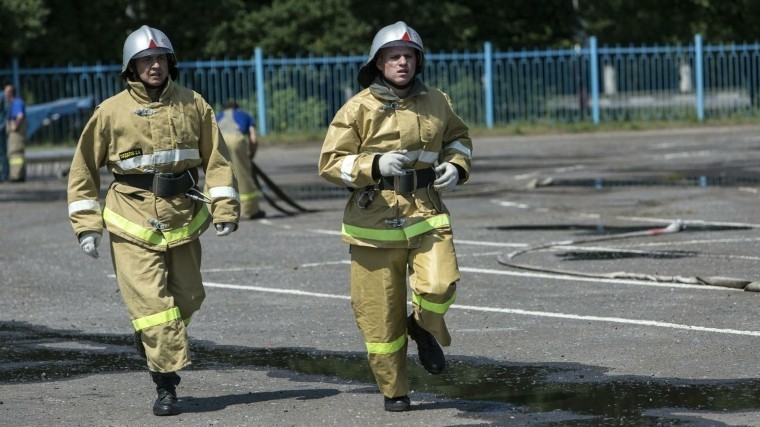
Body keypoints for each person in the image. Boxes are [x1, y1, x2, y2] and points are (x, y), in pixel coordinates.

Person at [66, 25, 240, 416]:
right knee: (154, 308)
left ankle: (149, 337)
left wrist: (225, 209)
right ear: (131, 67)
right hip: (131, 218)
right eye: (145, 60)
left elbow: (218, 161)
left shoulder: (194, 104)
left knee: (190, 296)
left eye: (160, 58)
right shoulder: (110, 112)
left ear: (170, 62)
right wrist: (87, 226)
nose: (154, 65)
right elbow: (82, 172)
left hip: (183, 217)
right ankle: (166, 385)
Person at [317, 21, 472, 412]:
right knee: (381, 318)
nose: (402, 62)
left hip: (426, 210)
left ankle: (421, 326)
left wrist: (456, 164)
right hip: (373, 222)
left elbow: (458, 138)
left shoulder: (438, 100)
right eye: (394, 56)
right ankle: (395, 390)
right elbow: (330, 163)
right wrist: (374, 163)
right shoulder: (357, 108)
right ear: (379, 62)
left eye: (409, 56)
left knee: (440, 285)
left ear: (418, 62)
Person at [216, 99, 265, 219]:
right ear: (237, 108)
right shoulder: (244, 115)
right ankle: (250, 210)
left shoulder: (218, 116)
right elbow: (253, 138)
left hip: (218, 140)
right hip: (236, 140)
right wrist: (250, 155)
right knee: (242, 174)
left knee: (216, 173)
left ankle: (213, 210)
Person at [4, 84, 26, 182]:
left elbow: (20, 116)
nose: (5, 94)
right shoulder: (13, 103)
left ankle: (16, 176)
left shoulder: (16, 103)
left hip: (16, 133)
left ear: (11, 93)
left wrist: (15, 126)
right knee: (15, 154)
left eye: (6, 92)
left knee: (15, 153)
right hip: (15, 133)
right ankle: (17, 174)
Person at [0, 90, 8, 181]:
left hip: (0, 127)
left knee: (2, 152)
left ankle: (5, 174)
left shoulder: (1, 96)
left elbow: (6, 111)